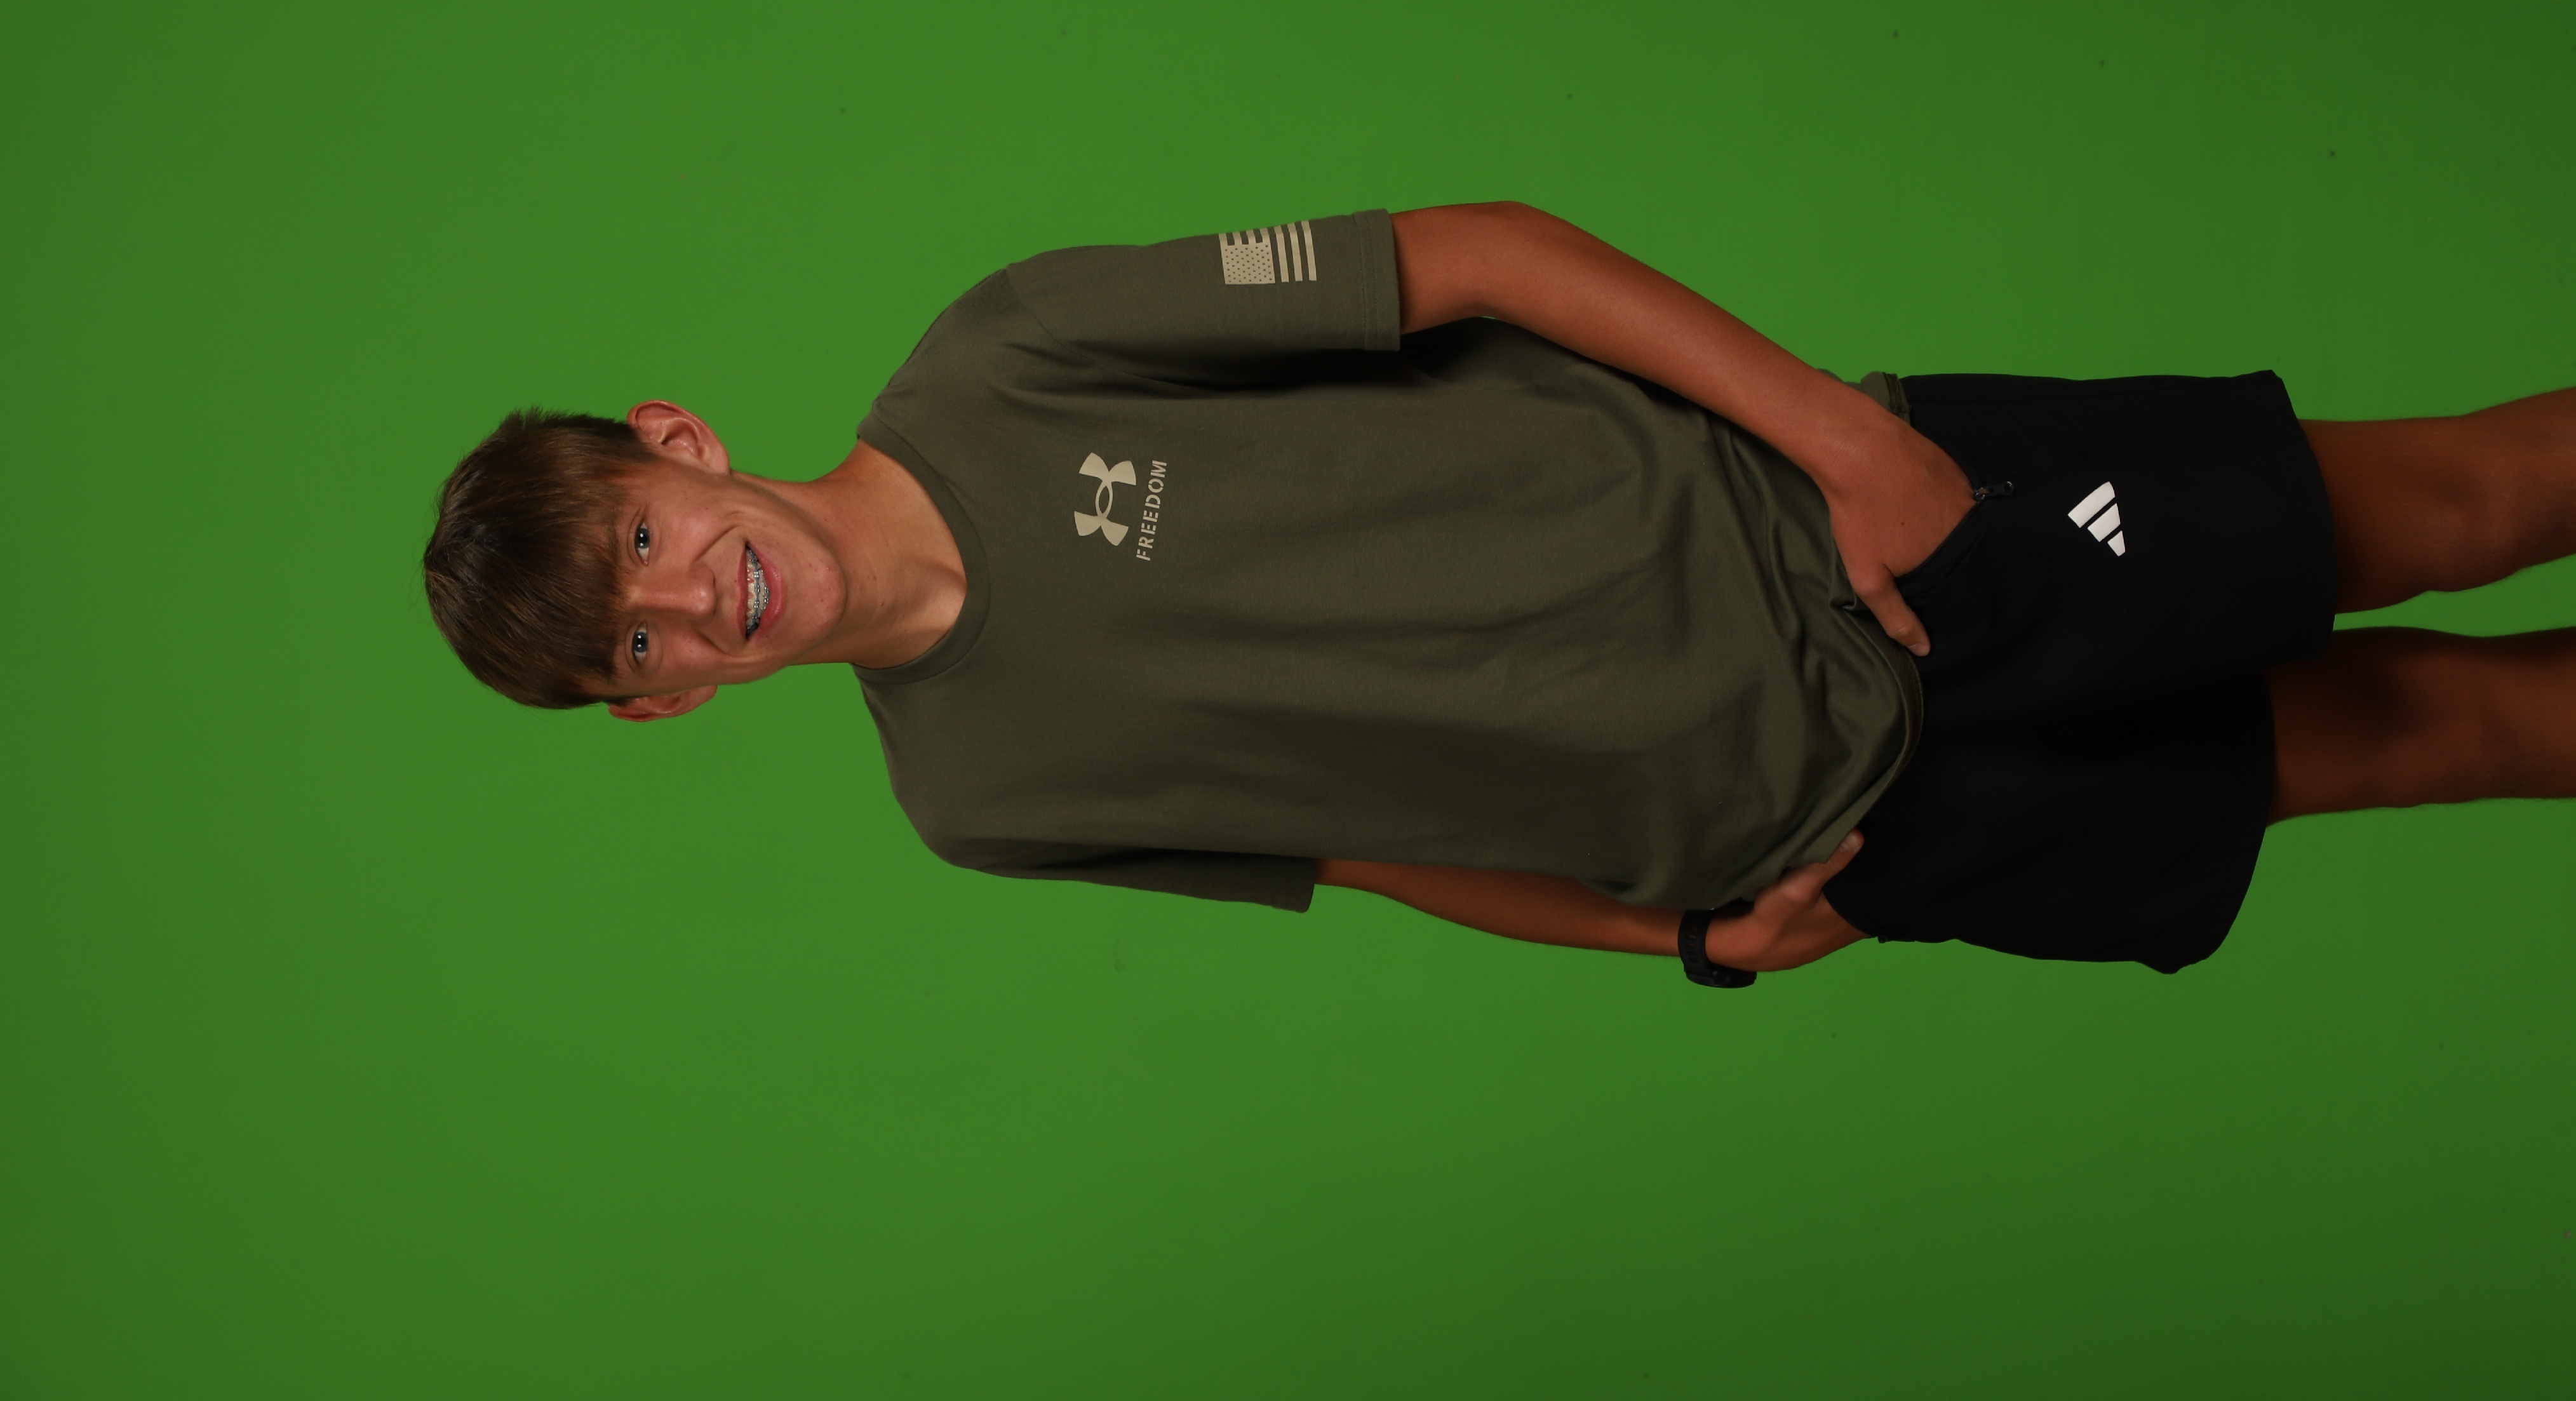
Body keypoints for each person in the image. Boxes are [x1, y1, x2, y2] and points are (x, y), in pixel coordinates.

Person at [422, 203, 2576, 982]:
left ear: (674, 441)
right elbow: (1365, 854)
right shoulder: (975, 806)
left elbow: (1479, 258)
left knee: (2472, 502)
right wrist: (1685, 939)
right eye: (642, 643)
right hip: (1848, 820)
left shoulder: (1011, 353)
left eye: (642, 538)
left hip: (1857, 526)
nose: (691, 598)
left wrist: (1844, 447)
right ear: (664, 704)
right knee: (2450, 736)